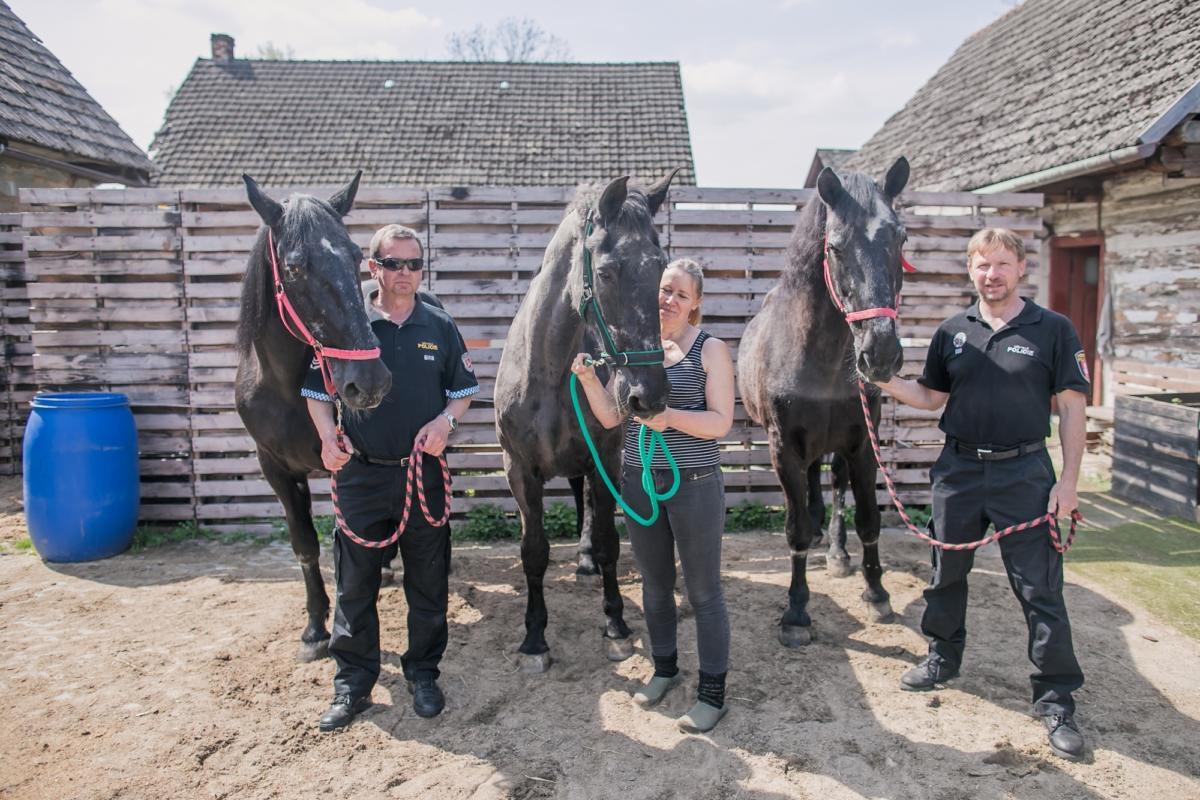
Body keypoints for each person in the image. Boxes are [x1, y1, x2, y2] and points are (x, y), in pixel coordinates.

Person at [874, 228, 1089, 761]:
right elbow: (930, 396)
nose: (990, 274)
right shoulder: (953, 331)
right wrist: (882, 381)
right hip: (960, 471)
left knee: (1039, 588)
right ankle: (942, 657)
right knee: (945, 576)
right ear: (970, 271)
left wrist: (1067, 484)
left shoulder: (1053, 330)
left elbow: (1073, 409)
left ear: (1020, 268)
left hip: (1026, 474)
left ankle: (1056, 696)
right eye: (980, 265)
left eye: (1000, 264)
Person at [303, 223, 478, 731]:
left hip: (421, 474)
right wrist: (327, 439)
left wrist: (446, 422)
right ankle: (353, 683)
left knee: (428, 585)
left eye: (414, 264)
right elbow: (315, 392)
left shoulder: (439, 326)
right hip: (361, 476)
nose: (406, 274)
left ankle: (423, 673)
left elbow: (463, 390)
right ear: (373, 266)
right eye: (395, 263)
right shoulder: (347, 323)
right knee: (355, 586)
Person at [571, 258, 735, 734]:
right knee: (654, 585)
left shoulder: (710, 350)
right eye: (665, 290)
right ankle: (664, 669)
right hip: (640, 482)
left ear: (696, 303)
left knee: (704, 592)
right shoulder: (634, 349)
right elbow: (609, 418)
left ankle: (711, 695)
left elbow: (721, 422)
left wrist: (671, 419)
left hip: (695, 484)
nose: (669, 300)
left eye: (681, 294)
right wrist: (588, 379)